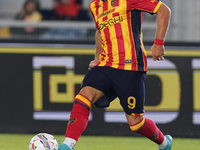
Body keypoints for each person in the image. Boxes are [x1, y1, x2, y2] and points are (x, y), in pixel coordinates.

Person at [58, 0, 172, 150]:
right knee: (83, 96)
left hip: (129, 66)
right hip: (106, 64)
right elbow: (100, 31)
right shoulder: (95, 5)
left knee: (136, 123)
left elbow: (164, 10)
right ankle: (67, 145)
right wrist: (97, 58)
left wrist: (159, 43)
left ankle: (164, 143)